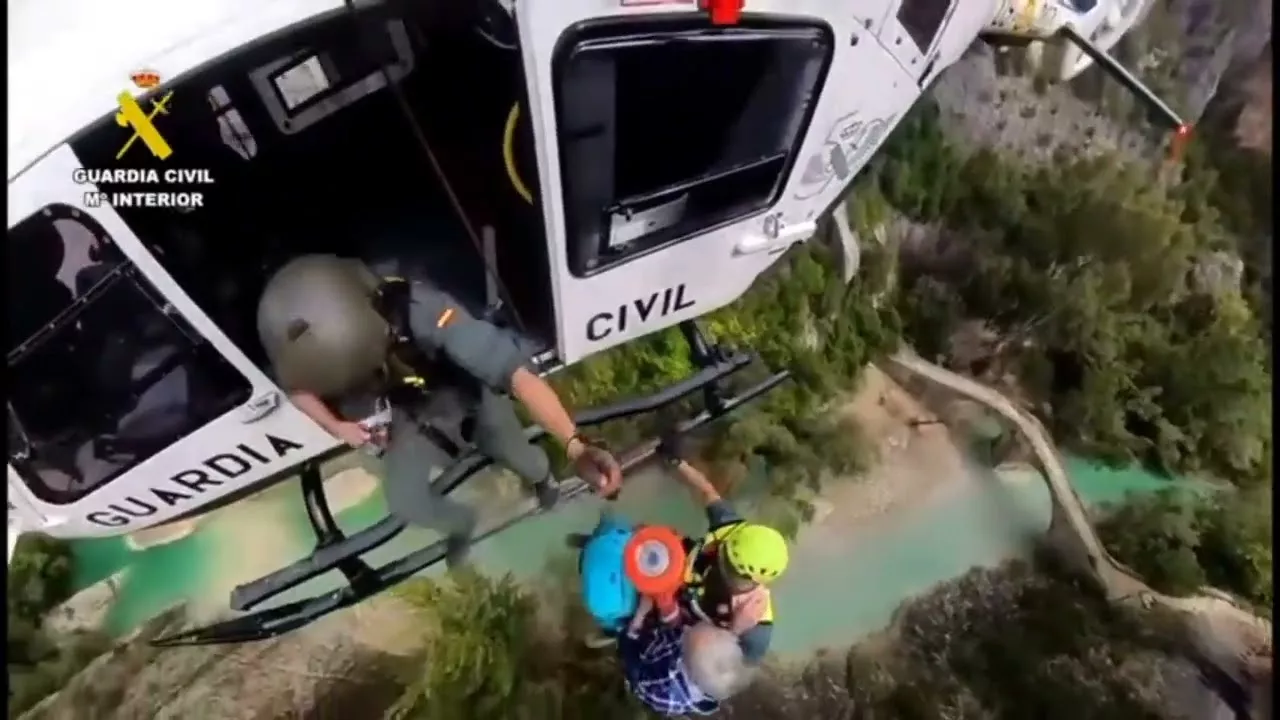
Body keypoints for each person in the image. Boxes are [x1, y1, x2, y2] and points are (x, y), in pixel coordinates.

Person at [256, 254, 621, 564]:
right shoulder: (306, 353)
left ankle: (543, 481)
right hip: (410, 414)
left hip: (467, 393)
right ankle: (462, 523)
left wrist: (574, 444)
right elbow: (296, 389)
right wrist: (338, 426)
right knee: (406, 501)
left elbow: (516, 375)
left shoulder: (424, 310)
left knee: (517, 453)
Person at [656, 433, 789, 664]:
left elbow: (726, 669)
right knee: (649, 534)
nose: (721, 562)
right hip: (681, 568)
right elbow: (707, 492)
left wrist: (735, 630)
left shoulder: (757, 631)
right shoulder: (731, 528)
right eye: (724, 556)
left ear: (755, 581)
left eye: (729, 567)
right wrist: (679, 464)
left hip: (689, 622)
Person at [619, 619, 755, 716]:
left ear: (684, 665)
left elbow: (640, 677)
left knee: (628, 647)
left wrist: (635, 626)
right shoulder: (708, 679)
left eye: (687, 635)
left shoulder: (659, 686)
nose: (687, 628)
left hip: (645, 669)